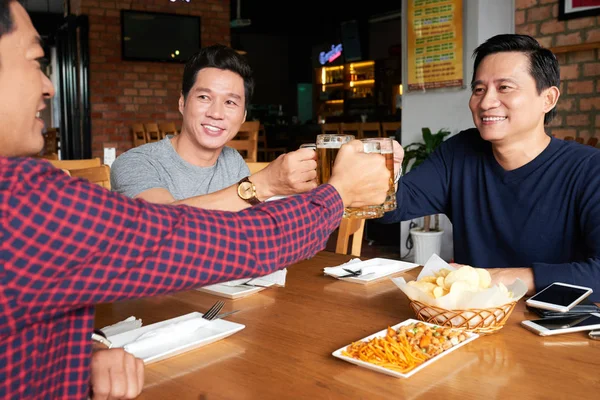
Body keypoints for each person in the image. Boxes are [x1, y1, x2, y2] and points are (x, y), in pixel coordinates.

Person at [0, 1, 390, 398]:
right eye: (35, 60)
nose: (49, 85)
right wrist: (332, 193)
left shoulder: (22, 201)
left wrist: (80, 353)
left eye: (231, 103)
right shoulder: (26, 200)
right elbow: (196, 238)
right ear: (182, 103)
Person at [383, 33, 600, 301]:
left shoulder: (589, 169)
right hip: (471, 322)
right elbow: (393, 207)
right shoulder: (459, 153)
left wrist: (500, 277)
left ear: (548, 99)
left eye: (505, 87)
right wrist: (376, 176)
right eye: (479, 89)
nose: (486, 102)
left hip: (554, 326)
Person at [111, 44, 317, 210]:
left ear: (243, 115)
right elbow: (164, 222)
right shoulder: (134, 164)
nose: (216, 113)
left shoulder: (232, 162)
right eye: (204, 97)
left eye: (230, 102)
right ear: (182, 103)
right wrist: (262, 185)